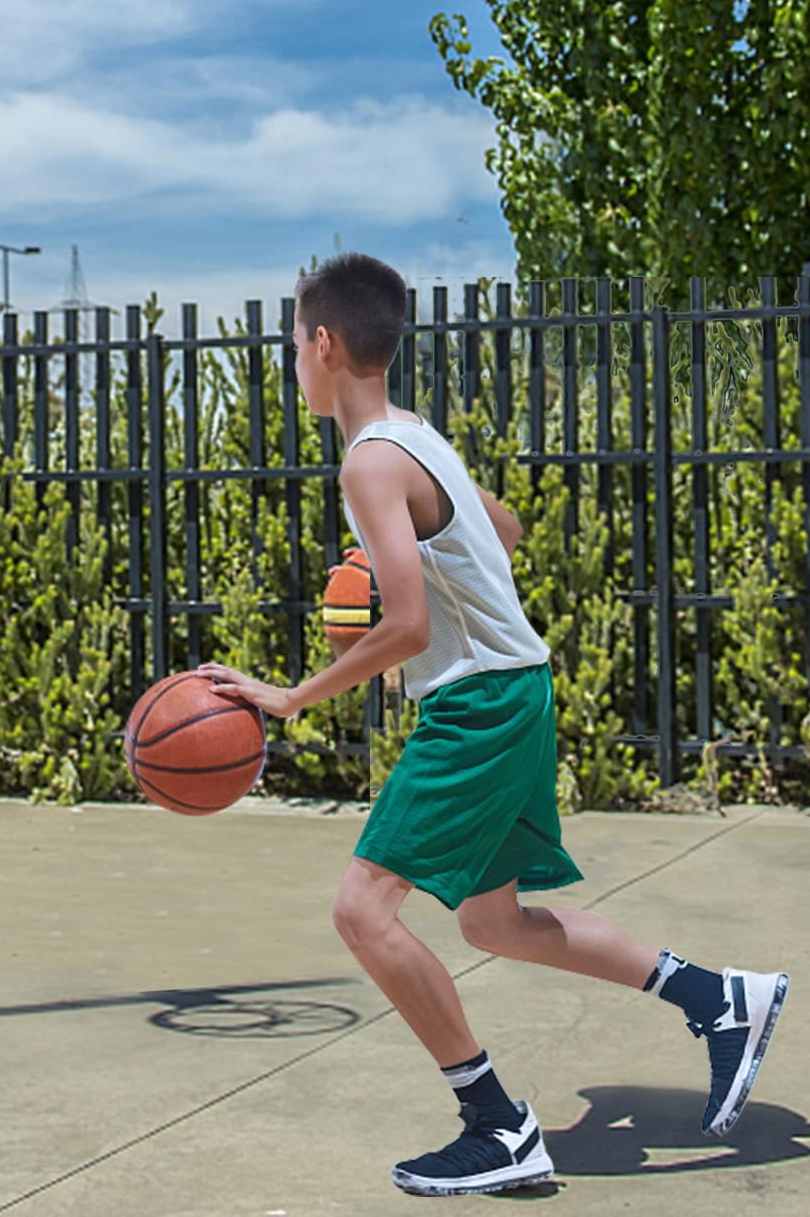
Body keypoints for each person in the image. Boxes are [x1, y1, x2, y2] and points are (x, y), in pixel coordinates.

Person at [194, 252, 789, 1197]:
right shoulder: (414, 436)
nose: (294, 362)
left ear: (324, 342)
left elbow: (407, 626)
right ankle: (718, 999)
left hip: (476, 705)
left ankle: (499, 1127)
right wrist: (409, 561)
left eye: (295, 344)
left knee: (361, 912)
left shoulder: (368, 461)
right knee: (493, 921)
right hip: (515, 689)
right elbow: (499, 532)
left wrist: (291, 695)